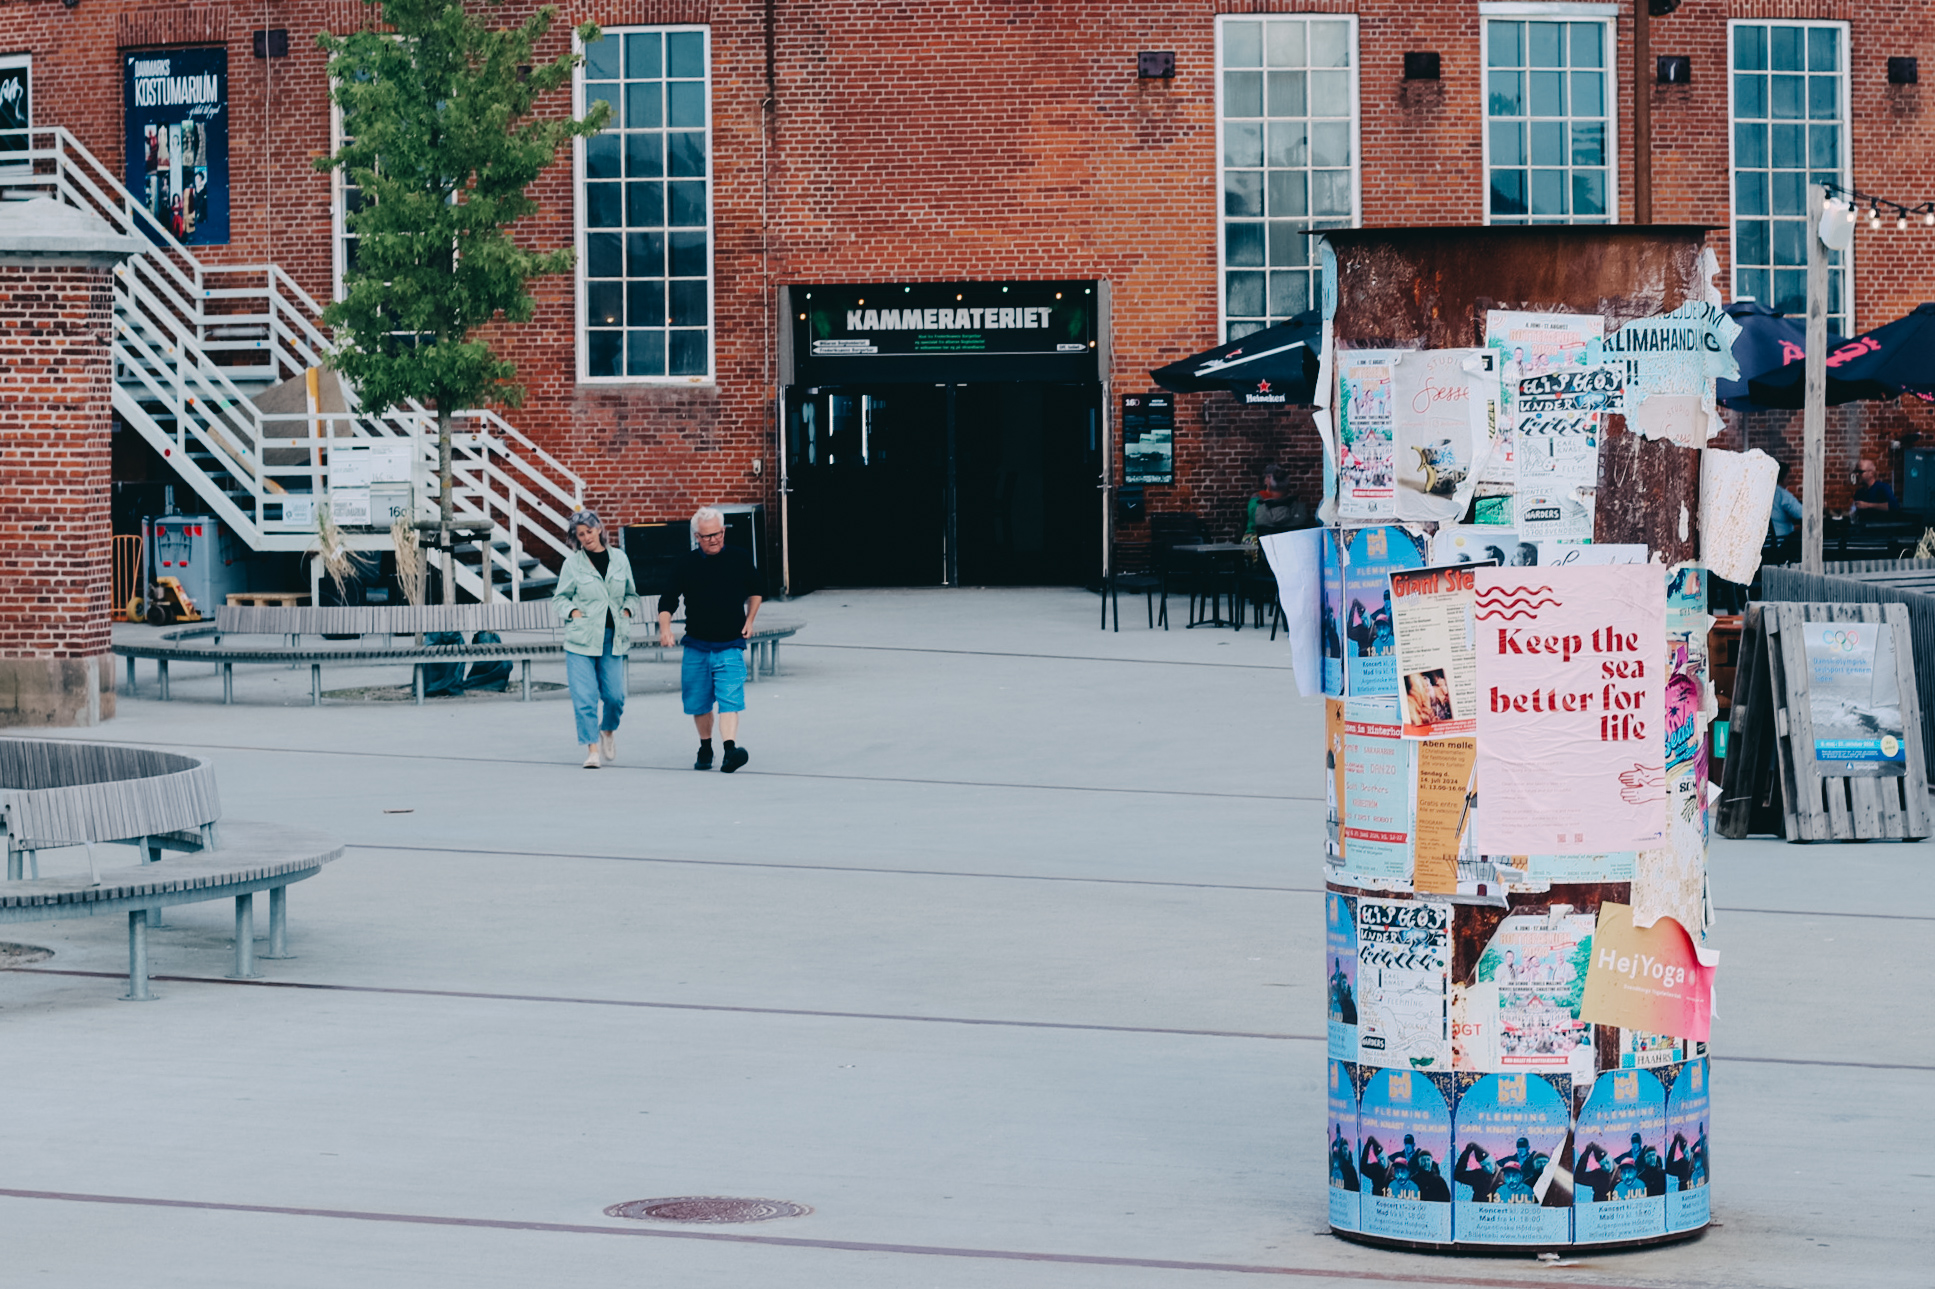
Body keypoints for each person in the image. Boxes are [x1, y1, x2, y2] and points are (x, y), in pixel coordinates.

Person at [658, 506, 763, 772]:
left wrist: (750, 621)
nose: (713, 539)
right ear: (696, 537)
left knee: (730, 698)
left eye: (717, 534)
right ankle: (706, 747)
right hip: (697, 645)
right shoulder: (685, 564)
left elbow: (756, 591)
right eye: (706, 536)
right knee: (699, 702)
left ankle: (730, 750)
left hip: (730, 643)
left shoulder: (739, 558)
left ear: (724, 531)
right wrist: (665, 628)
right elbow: (668, 598)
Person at [554, 509, 641, 769]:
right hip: (581, 639)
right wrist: (572, 612)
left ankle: (608, 730)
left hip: (612, 638)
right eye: (580, 535)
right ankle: (592, 750)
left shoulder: (620, 559)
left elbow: (632, 595)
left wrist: (627, 610)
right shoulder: (572, 564)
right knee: (585, 697)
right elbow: (560, 598)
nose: (586, 538)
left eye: (589, 532)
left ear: (599, 529)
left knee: (615, 697)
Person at [1245, 465, 1309, 540]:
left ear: (1268, 481)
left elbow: (1252, 527)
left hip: (1266, 549)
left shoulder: (1257, 506)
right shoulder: (1300, 509)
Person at [1767, 461, 1803, 562]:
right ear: (1782, 479)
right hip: (1781, 543)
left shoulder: (1766, 493)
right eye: (1788, 477)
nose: (1789, 481)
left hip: (1768, 545)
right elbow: (1801, 513)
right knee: (1802, 536)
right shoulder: (1781, 494)